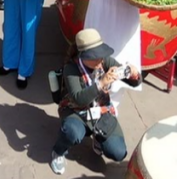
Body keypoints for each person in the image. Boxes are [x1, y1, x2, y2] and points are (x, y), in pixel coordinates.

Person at [49, 29, 143, 175]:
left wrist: (134, 75)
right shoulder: (71, 69)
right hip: (76, 111)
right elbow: (79, 98)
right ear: (82, 56)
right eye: (94, 57)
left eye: (101, 54)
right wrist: (101, 83)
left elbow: (131, 81)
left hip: (101, 110)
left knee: (118, 153)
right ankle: (58, 151)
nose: (100, 60)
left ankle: (99, 138)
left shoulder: (104, 61)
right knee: (72, 132)